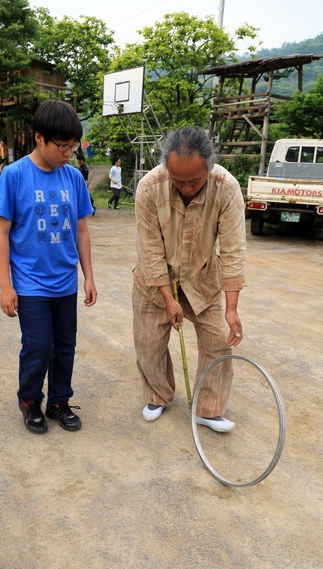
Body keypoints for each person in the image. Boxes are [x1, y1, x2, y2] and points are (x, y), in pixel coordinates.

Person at [0, 99, 97, 435]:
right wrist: (5, 286)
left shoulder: (74, 178)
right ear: (39, 138)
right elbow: (1, 231)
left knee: (65, 346)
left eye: (72, 145)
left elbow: (81, 229)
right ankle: (29, 400)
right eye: (62, 145)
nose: (68, 152)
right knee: (39, 346)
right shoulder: (15, 175)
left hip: (65, 281)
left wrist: (89, 276)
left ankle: (58, 402)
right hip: (30, 282)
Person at [132, 126, 246, 432]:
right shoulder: (148, 188)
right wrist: (169, 300)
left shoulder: (226, 188)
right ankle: (157, 395)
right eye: (178, 180)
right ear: (166, 168)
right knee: (149, 343)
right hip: (155, 282)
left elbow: (234, 250)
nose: (186, 187)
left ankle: (207, 410)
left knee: (217, 342)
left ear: (209, 168)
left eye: (194, 180)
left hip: (202, 277)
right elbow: (150, 250)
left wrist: (231, 309)